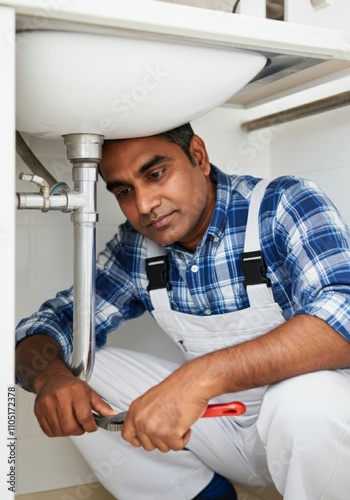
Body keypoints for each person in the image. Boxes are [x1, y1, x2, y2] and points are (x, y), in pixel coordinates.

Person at [16, 123, 350, 500]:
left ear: (198, 156)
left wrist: (198, 378)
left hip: (312, 434)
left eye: (155, 174)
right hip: (218, 428)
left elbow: (345, 318)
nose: (144, 205)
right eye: (124, 191)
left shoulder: (282, 203)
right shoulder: (137, 245)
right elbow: (50, 324)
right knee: (84, 364)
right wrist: (49, 378)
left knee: (308, 398)